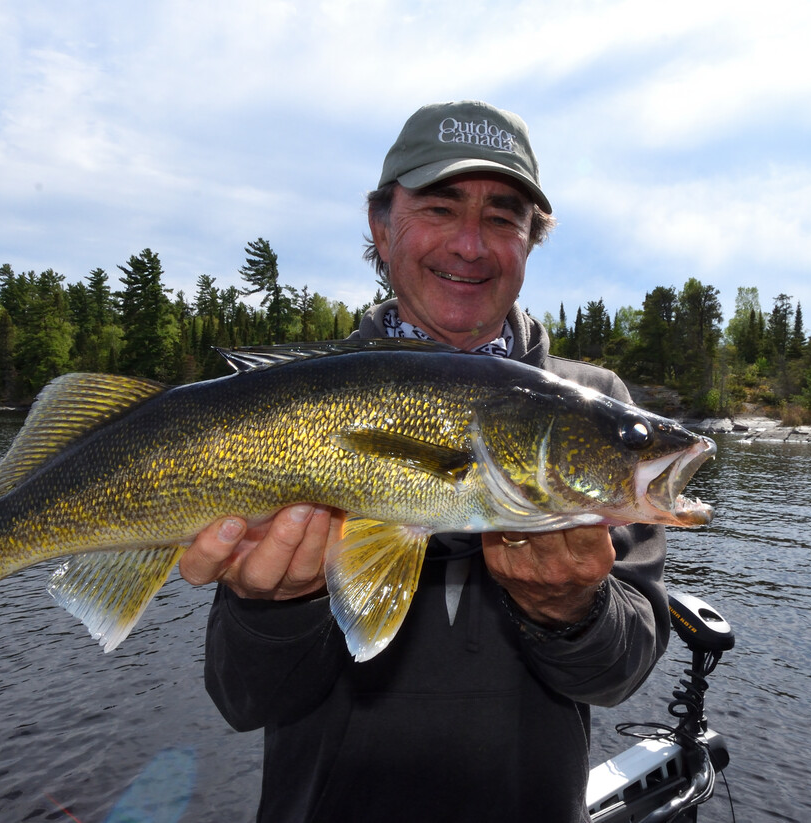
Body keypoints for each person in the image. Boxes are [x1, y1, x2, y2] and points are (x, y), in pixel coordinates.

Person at [178, 100, 670, 822]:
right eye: (440, 209)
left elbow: (620, 672)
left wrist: (573, 611)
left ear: (531, 241)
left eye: (504, 217)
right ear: (382, 227)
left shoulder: (594, 406)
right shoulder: (298, 404)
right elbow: (244, 698)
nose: (470, 244)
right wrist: (274, 607)